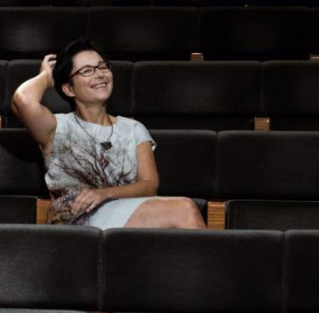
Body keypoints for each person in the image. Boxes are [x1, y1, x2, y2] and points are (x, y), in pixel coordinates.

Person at [11, 39, 206, 229]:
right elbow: (23, 99)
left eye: (102, 67)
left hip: (127, 220)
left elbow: (149, 185)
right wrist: (46, 76)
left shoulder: (133, 128)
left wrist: (104, 194)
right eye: (87, 70)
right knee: (184, 210)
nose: (99, 74)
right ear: (69, 89)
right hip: (77, 222)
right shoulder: (56, 127)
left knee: (184, 210)